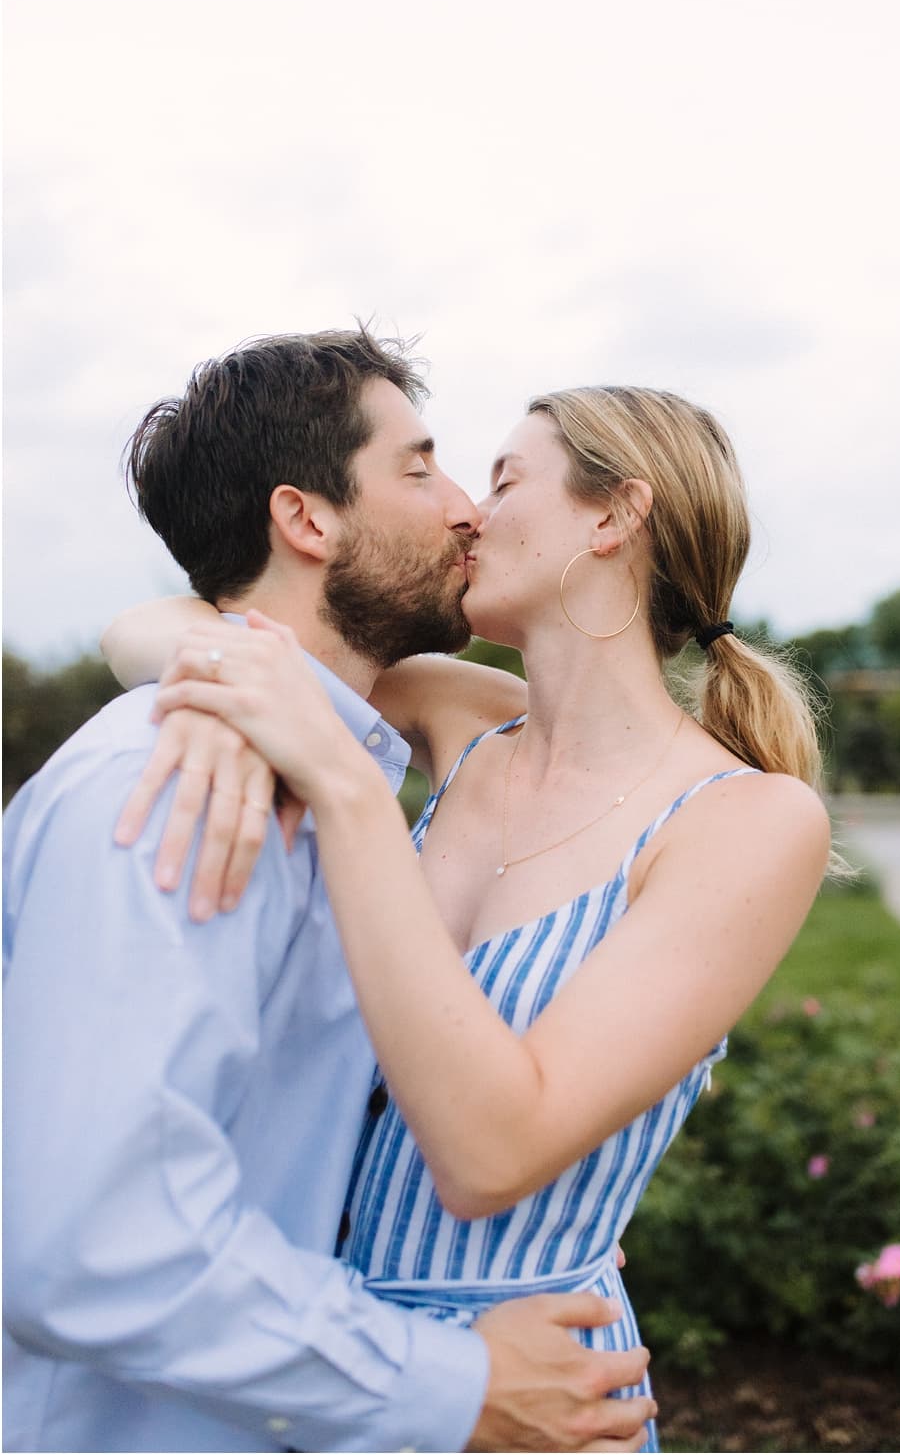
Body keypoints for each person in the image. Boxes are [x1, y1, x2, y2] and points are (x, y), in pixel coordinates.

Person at [94, 354, 834, 1455]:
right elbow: (138, 631)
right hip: (311, 1362)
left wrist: (344, 788)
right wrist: (225, 683)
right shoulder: (459, 718)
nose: (468, 517)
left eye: (502, 478)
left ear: (615, 514)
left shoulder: (745, 820)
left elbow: (492, 1156)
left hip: (524, 1395)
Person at [2, 329, 664, 1451]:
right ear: (306, 519)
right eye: (419, 468)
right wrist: (447, 1381)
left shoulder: (331, 774)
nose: (464, 509)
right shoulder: (179, 787)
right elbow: (90, 1246)